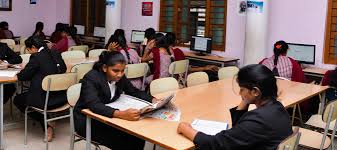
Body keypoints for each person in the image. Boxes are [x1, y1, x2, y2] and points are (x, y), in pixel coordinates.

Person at [177, 64, 292, 150]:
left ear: (255, 92)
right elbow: (239, 128)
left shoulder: (258, 120)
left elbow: (216, 144)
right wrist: (246, 99)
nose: (239, 93)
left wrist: (185, 129)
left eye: (242, 89)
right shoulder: (276, 107)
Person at [74, 51, 161, 149]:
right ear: (104, 68)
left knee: (137, 135)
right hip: (87, 120)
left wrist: (153, 100)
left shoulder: (119, 76)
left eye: (123, 70)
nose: (120, 75)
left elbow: (133, 91)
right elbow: (94, 105)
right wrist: (120, 114)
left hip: (107, 114)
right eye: (115, 71)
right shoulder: (91, 78)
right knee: (124, 139)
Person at [13, 36, 67, 142]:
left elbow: (22, 77)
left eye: (29, 50)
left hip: (46, 101)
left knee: (18, 100)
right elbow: (63, 69)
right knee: (33, 93)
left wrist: (24, 71)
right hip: (62, 98)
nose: (29, 53)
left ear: (33, 47)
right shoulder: (55, 52)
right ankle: (49, 120)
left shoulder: (36, 57)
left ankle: (46, 125)